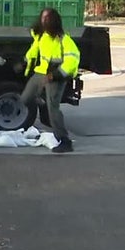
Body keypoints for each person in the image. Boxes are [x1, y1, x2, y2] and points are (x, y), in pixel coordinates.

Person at [18, 8, 80, 153]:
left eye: (47, 18)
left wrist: (56, 75)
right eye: (42, 17)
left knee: (53, 109)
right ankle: (43, 100)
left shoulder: (64, 40)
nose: (43, 20)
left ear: (54, 21)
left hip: (56, 77)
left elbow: (73, 60)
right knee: (24, 99)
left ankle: (65, 141)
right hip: (41, 73)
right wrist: (24, 62)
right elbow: (33, 50)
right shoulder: (41, 37)